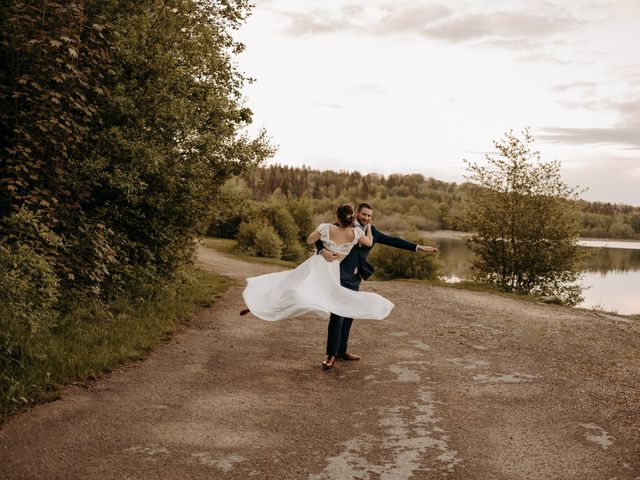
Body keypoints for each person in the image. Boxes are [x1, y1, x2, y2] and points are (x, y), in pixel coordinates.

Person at [240, 204, 395, 340]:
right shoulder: (356, 234)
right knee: (313, 294)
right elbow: (369, 242)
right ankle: (261, 305)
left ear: (337, 217)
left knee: (290, 283)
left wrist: (321, 234)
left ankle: (260, 304)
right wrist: (368, 228)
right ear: (351, 218)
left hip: (316, 264)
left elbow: (309, 240)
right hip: (331, 270)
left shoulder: (326, 227)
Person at [316, 202, 438, 369]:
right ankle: (330, 355)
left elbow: (394, 241)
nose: (366, 218)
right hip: (338, 276)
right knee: (337, 315)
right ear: (357, 213)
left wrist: (419, 247)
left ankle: (341, 351)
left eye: (369, 216)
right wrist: (322, 251)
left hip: (355, 278)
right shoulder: (344, 225)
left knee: (350, 314)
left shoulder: (372, 232)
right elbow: (321, 236)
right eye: (364, 214)